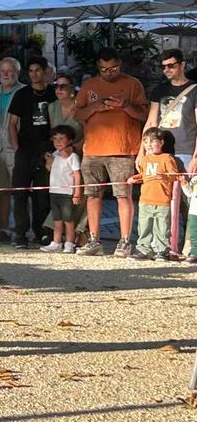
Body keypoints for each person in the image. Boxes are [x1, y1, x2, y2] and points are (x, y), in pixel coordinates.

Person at [74, 47, 148, 257]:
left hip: (122, 149)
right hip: (93, 149)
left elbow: (144, 114)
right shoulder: (89, 86)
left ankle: (124, 241)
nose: (109, 72)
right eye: (104, 69)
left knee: (123, 195)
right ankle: (94, 240)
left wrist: (125, 105)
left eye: (113, 68)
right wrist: (95, 107)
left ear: (120, 64)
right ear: (98, 66)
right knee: (93, 195)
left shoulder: (133, 84)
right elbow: (77, 114)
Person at [144, 48, 196, 255]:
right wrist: (143, 151)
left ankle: (190, 245)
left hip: (185, 148)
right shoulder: (159, 90)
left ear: (182, 65)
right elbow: (151, 120)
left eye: (171, 65)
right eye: (163, 66)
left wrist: (196, 156)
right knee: (163, 199)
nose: (167, 69)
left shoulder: (194, 89)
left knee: (188, 200)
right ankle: (165, 244)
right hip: (161, 150)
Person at [8, 56, 55, 248]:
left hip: (45, 151)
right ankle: (20, 233)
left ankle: (42, 231)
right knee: (20, 192)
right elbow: (12, 123)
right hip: (25, 149)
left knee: (42, 194)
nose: (34, 74)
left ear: (45, 72)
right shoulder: (21, 94)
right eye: (31, 71)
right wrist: (16, 147)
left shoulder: (53, 93)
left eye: (37, 70)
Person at [0, 57, 24, 242]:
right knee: (0, 190)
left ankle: (22, 228)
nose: (6, 74)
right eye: (3, 71)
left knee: (20, 190)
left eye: (10, 71)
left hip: (16, 147)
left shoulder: (23, 91)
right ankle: (2, 228)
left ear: (17, 73)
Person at [131, 127, 180, 261]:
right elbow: (144, 175)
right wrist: (134, 179)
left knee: (162, 228)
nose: (149, 145)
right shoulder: (145, 160)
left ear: (161, 142)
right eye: (146, 142)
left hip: (162, 200)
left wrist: (165, 175)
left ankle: (162, 250)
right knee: (144, 226)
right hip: (145, 199)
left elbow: (174, 176)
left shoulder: (167, 158)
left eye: (153, 142)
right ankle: (143, 249)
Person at [41, 125, 82, 253]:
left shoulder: (73, 156)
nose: (57, 142)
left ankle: (69, 243)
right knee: (57, 219)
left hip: (67, 192)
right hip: (54, 191)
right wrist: (48, 161)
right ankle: (56, 242)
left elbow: (77, 174)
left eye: (61, 138)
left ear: (69, 140)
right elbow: (50, 169)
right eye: (55, 139)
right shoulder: (54, 154)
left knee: (68, 220)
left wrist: (77, 193)